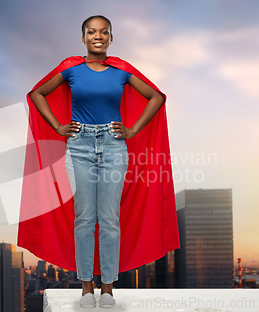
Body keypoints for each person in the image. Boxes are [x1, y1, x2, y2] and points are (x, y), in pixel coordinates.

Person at [18, 15, 179, 308]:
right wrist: (57, 127)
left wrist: (131, 130)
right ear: (83, 38)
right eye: (91, 32)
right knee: (83, 218)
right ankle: (86, 288)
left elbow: (156, 97)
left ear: (111, 38)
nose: (98, 36)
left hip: (114, 146)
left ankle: (108, 289)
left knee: (109, 220)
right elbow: (37, 94)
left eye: (104, 32)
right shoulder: (71, 68)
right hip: (78, 145)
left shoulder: (120, 71)